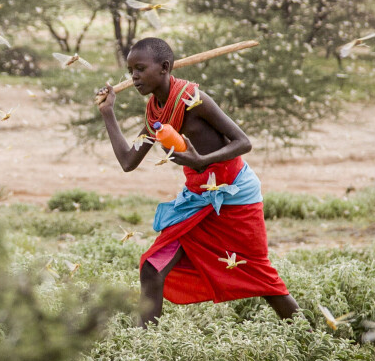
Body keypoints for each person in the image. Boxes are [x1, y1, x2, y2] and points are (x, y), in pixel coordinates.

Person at [96, 37, 299, 326]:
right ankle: (143, 351)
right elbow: (129, 162)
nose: (134, 77)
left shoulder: (194, 100)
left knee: (259, 276)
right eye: (131, 71)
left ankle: (313, 336)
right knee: (152, 268)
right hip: (198, 199)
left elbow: (243, 142)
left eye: (140, 68)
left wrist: (202, 161)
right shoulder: (156, 113)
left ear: (165, 67)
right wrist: (108, 114)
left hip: (235, 196)